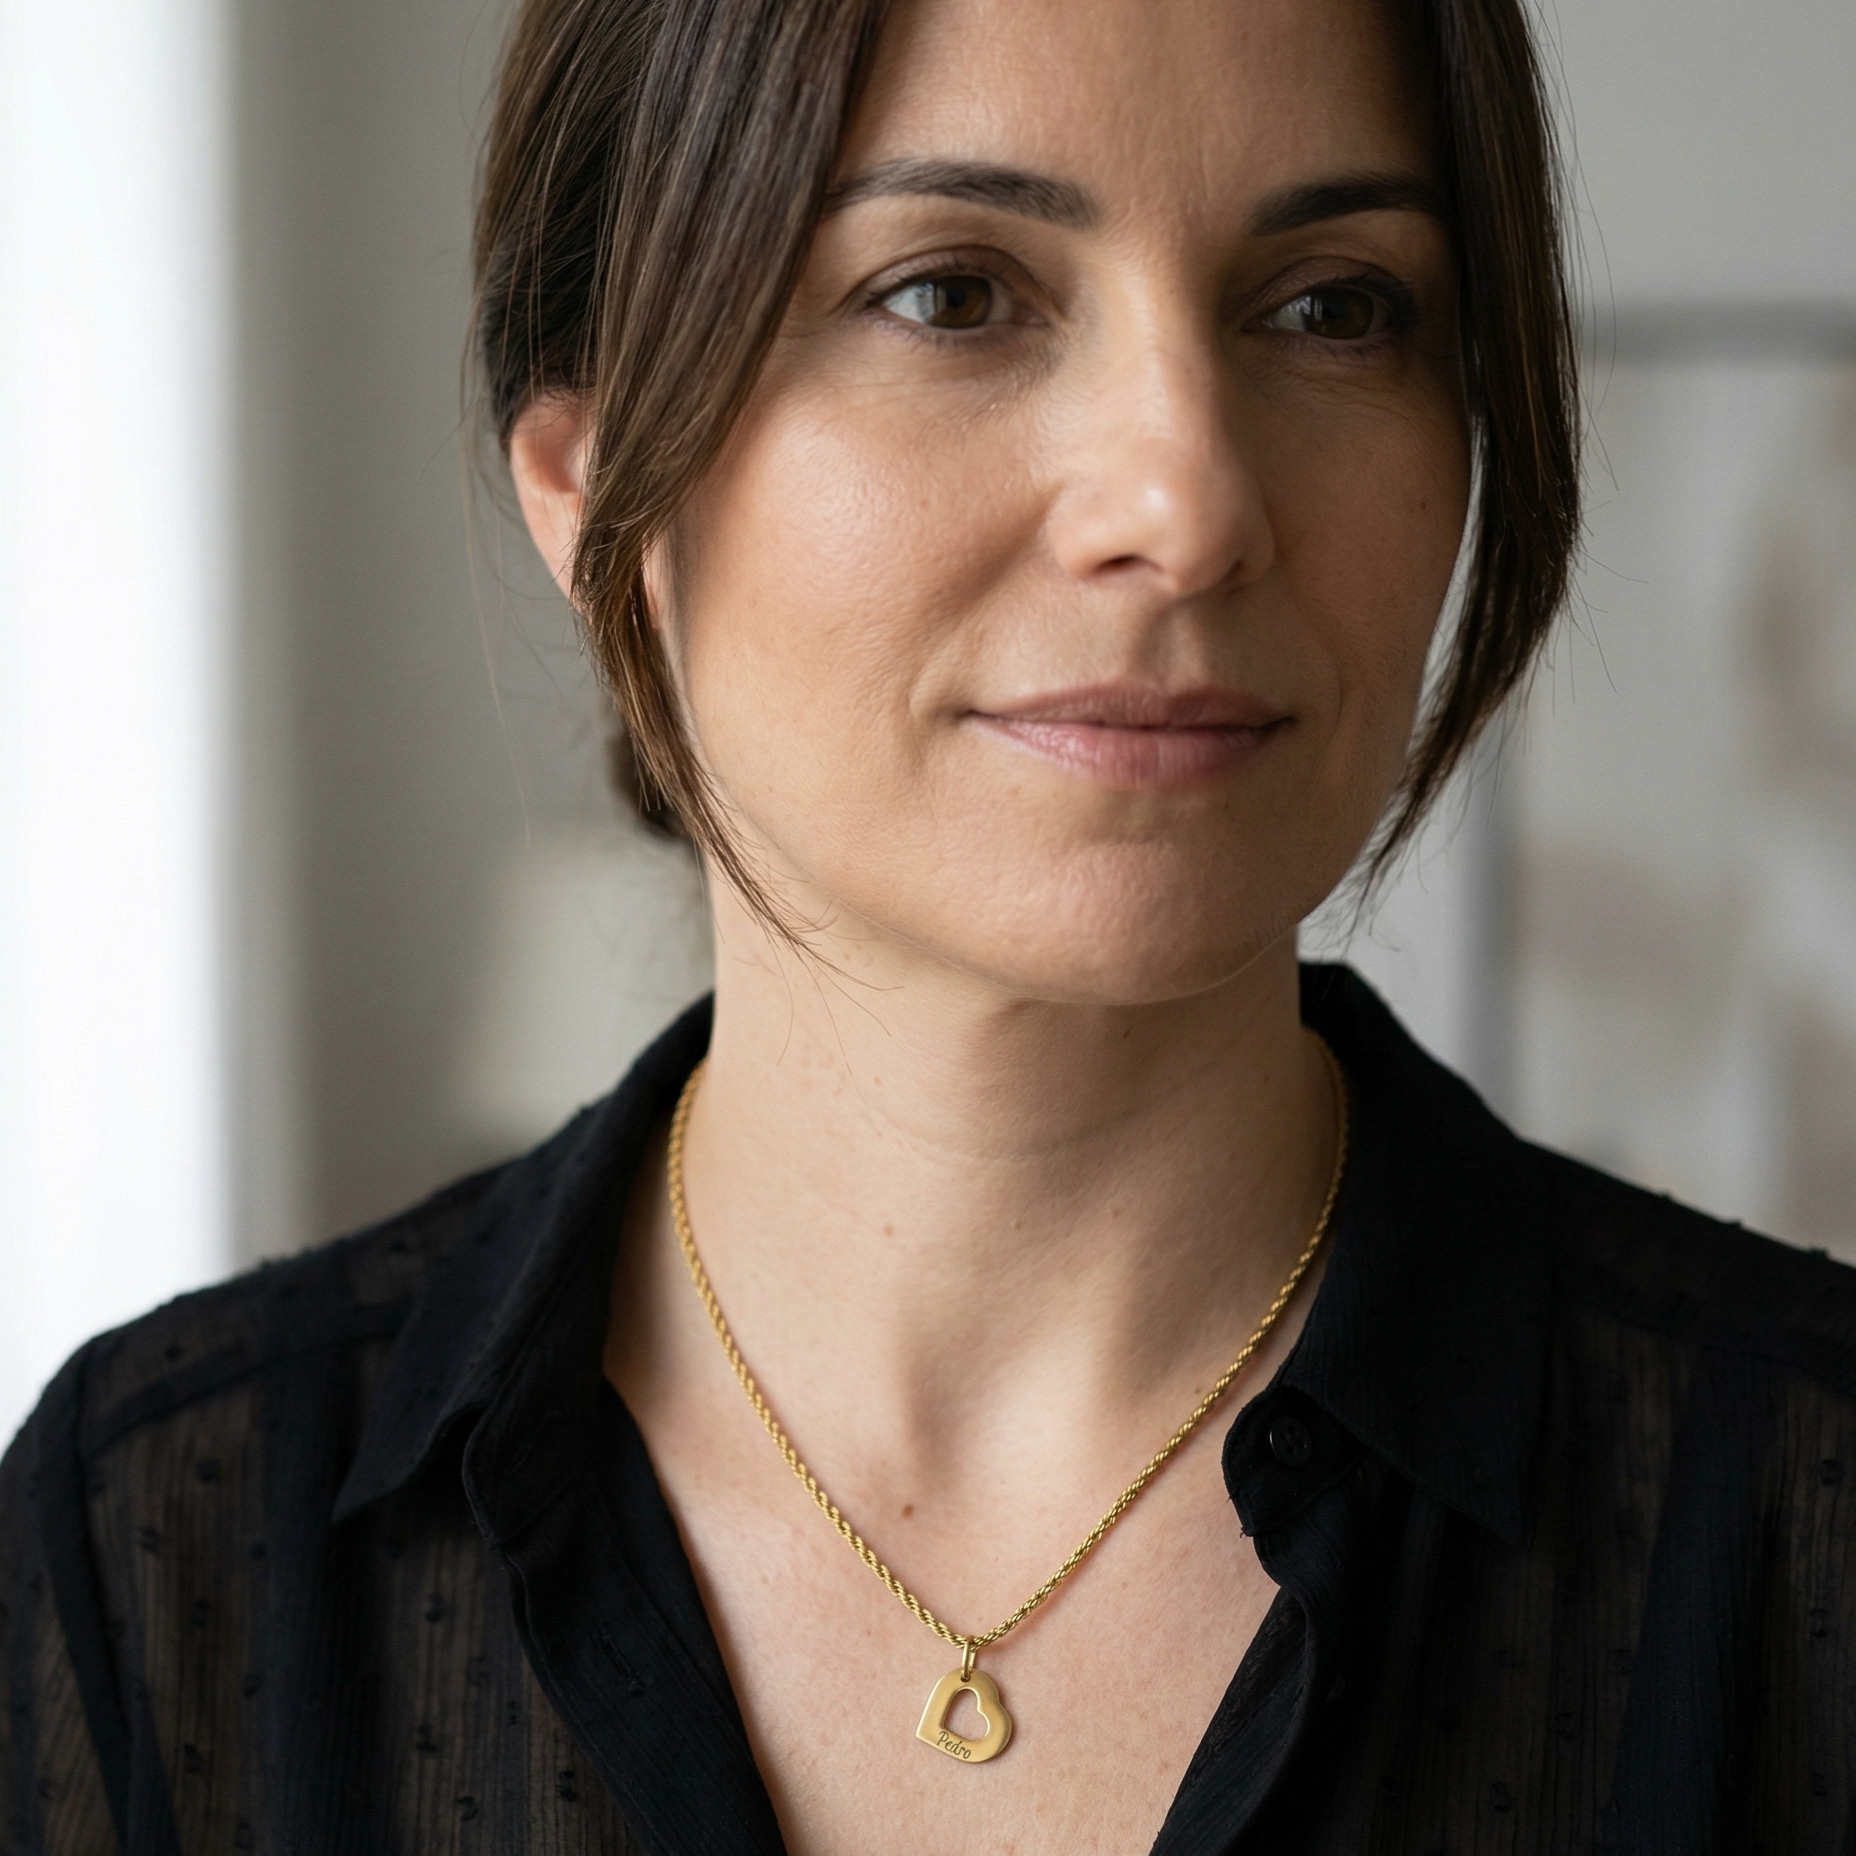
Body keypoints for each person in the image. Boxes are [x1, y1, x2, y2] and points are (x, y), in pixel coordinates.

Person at [5, 0, 1854, 1848]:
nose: (1186, 504)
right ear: (587, 485)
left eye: (1334, 307)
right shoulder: (161, 1553)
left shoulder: (1809, 1523)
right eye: (953, 295)